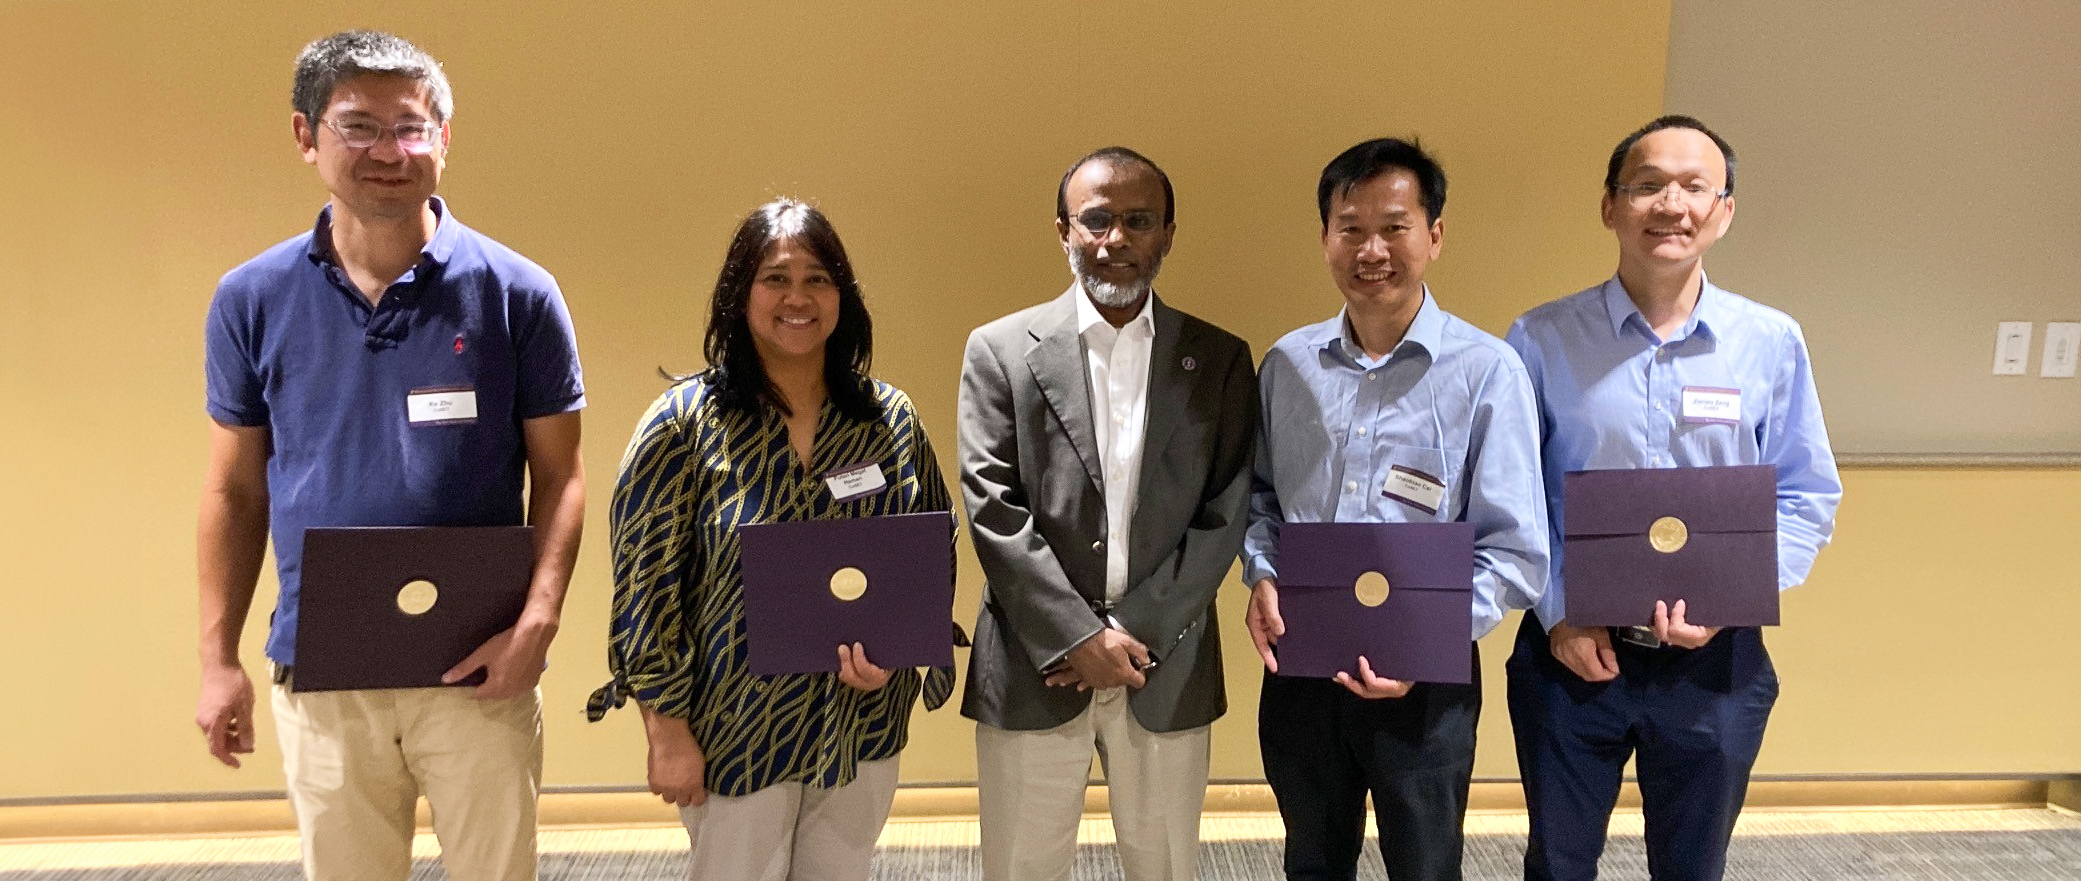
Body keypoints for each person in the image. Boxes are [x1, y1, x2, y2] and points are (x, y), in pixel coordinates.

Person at [194, 30, 586, 881]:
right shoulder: (251, 299)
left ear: (443, 139)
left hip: (481, 665)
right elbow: (233, 491)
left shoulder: (518, 294)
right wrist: (218, 659)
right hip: (325, 667)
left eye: (411, 127)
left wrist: (538, 623)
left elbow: (561, 477)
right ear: (306, 136)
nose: (388, 151)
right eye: (358, 126)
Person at [1504, 115, 1842, 881]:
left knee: (1692, 866)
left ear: (1723, 210)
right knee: (1556, 862)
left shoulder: (1770, 341)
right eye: (1648, 184)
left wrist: (1735, 597)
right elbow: (1514, 499)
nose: (1671, 204)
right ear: (1610, 206)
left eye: (1695, 186)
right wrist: (1560, 612)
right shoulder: (1538, 338)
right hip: (1569, 654)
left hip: (1714, 660)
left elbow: (1805, 494)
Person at [587, 199, 954, 879]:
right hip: (733, 731)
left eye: (818, 278)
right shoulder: (682, 425)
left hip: (858, 723)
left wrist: (898, 652)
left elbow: (929, 553)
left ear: (842, 296)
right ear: (739, 294)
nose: (798, 297)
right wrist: (665, 731)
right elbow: (645, 589)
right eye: (776, 278)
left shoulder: (888, 419)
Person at [1242, 137, 1549, 881]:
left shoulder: (1485, 371)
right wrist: (1259, 574)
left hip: (1428, 680)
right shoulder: (1286, 364)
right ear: (1323, 239)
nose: (1370, 248)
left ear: (1433, 235)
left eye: (1393, 226)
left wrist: (1423, 641)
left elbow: (1515, 550)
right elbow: (1261, 502)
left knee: (1424, 864)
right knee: (1310, 861)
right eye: (1350, 228)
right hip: (1302, 669)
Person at [957, 146, 1257, 881]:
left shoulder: (1216, 358)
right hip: (1036, 664)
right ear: (1062, 230)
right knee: (1021, 868)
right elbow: (992, 506)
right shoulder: (999, 351)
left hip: (1166, 660)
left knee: (1164, 867)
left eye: (1137, 220)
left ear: (1167, 233)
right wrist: (1075, 635)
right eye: (1095, 220)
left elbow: (1226, 508)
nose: (1114, 239)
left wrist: (1134, 631)